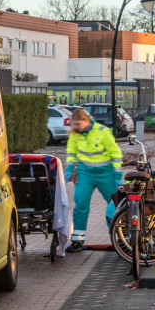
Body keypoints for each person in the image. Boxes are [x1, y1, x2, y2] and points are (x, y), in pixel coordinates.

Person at [64, 108, 123, 253]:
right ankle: (77, 241)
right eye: (73, 124)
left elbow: (115, 153)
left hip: (106, 174)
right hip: (85, 173)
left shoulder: (103, 132)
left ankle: (124, 238)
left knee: (118, 205)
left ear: (86, 120)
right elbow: (71, 152)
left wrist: (117, 174)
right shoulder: (75, 134)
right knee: (80, 205)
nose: (76, 127)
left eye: (78, 124)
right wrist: (69, 167)